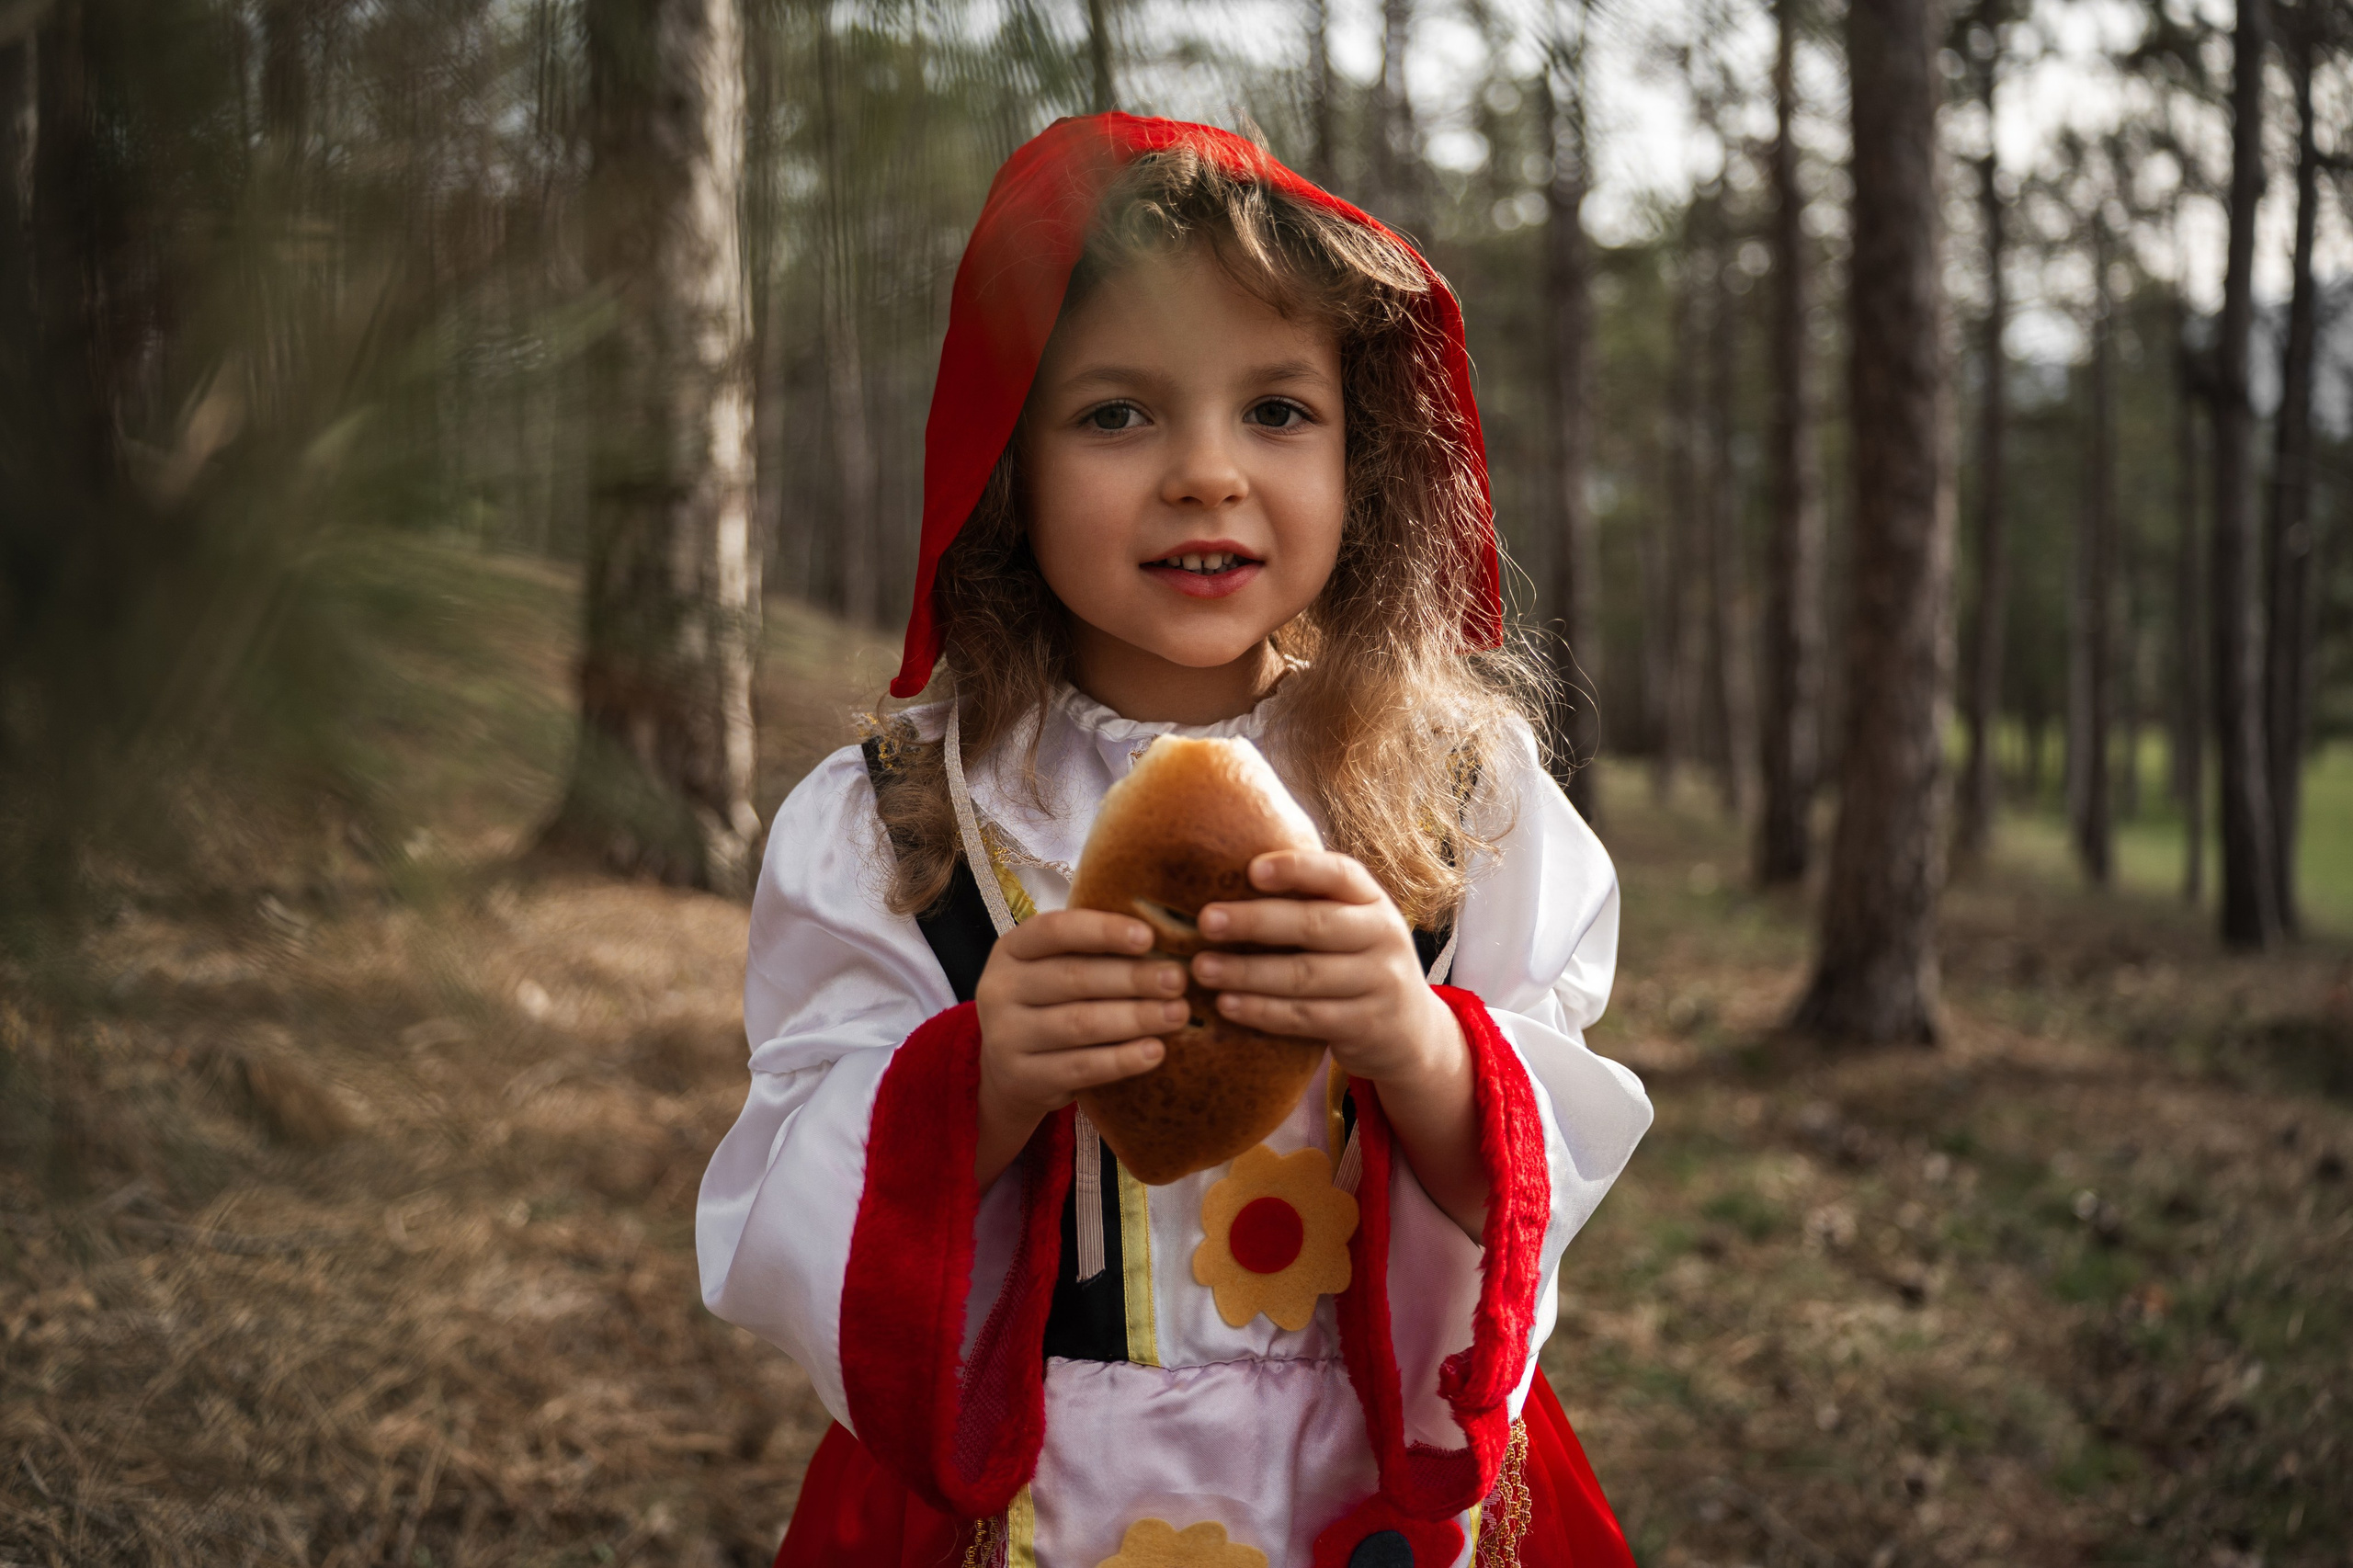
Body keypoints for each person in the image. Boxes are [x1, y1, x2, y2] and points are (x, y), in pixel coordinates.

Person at [698, 113, 1652, 1568]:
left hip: (1366, 1492)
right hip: (1030, 1495)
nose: (1207, 473)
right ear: (1006, 463)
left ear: (1366, 454)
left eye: (1276, 410)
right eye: (1117, 414)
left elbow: (1556, 1146)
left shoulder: (1460, 794)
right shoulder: (903, 819)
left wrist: (1419, 1041)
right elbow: (784, 1201)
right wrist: (981, 1082)